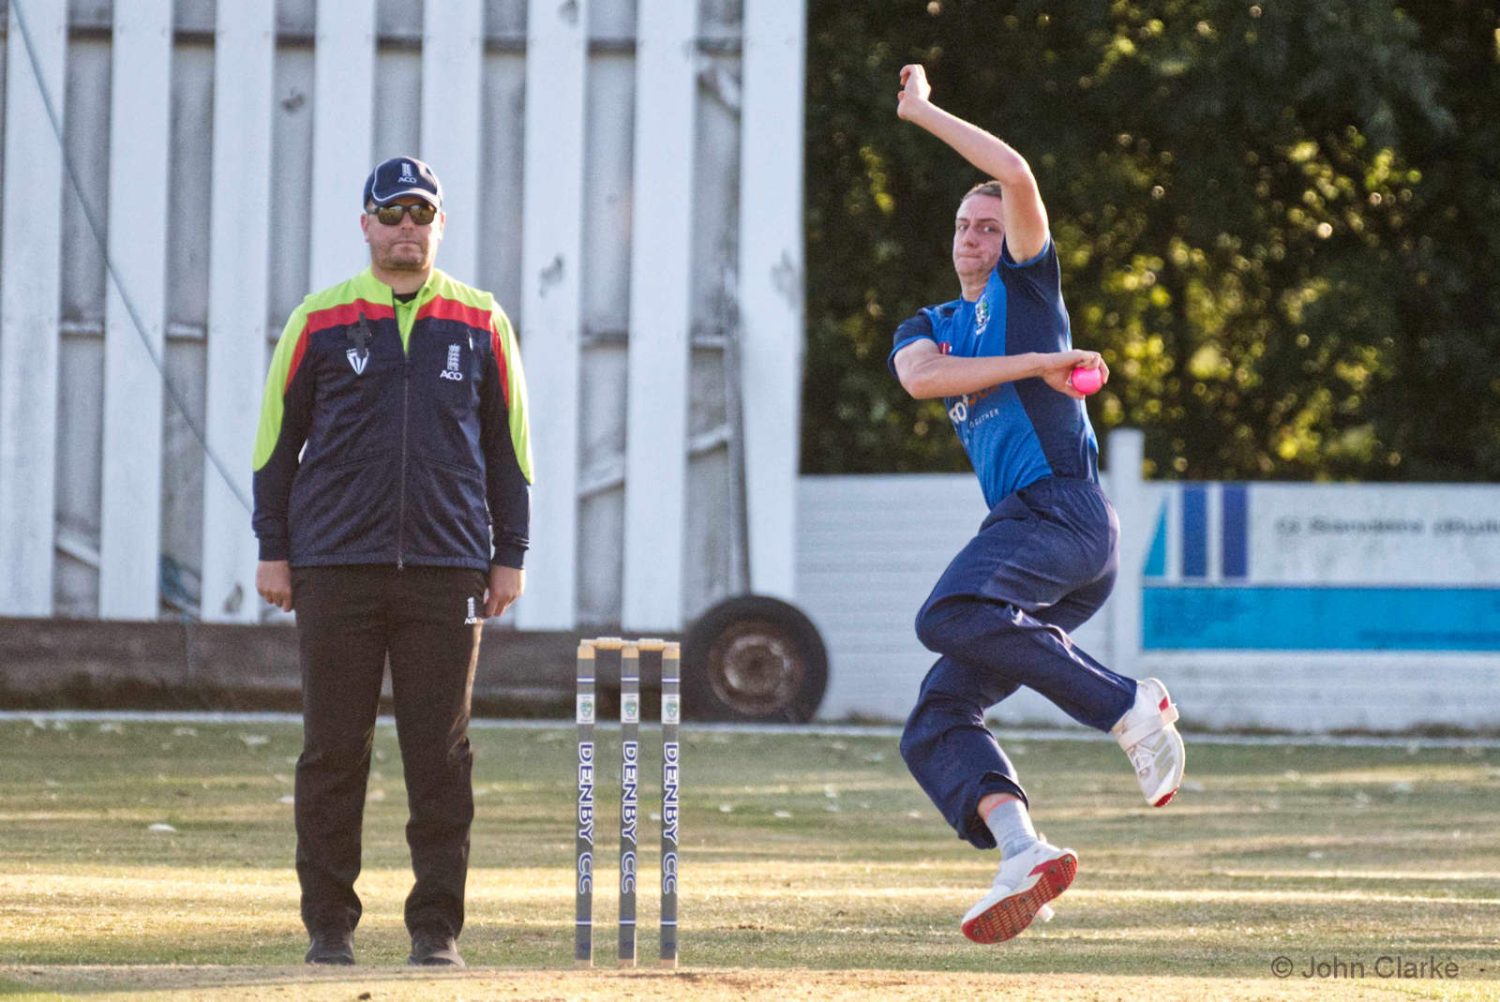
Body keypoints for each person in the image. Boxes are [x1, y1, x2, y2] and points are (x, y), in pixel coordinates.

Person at [887, 65, 1185, 944]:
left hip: (1063, 514)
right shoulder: (930, 324)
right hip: (1033, 535)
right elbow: (921, 380)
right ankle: (1023, 851)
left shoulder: (1027, 291)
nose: (974, 237)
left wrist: (924, 112)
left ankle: (1127, 705)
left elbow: (1015, 174)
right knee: (936, 717)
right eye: (963, 226)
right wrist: (1037, 368)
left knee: (947, 613)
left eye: (987, 226)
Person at [251, 156, 533, 967]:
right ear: (366, 224)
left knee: (439, 758)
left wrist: (509, 555)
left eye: (422, 213)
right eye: (392, 213)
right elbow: (275, 443)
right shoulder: (320, 320)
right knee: (332, 752)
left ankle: (435, 929)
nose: (407, 227)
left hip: (448, 568)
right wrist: (274, 548)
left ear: (440, 226)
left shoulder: (480, 320)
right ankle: (328, 927)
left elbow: (510, 448)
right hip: (335, 565)